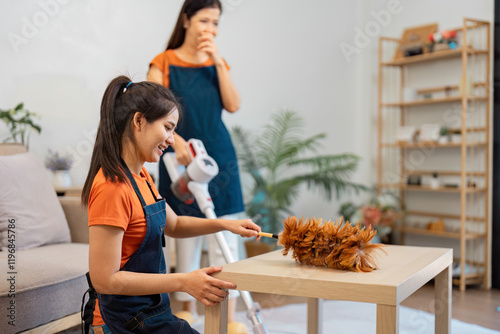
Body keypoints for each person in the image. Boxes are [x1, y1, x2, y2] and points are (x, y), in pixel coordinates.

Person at [81, 75, 260, 334]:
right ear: (139, 121)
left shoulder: (141, 177)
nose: (171, 139)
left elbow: (174, 224)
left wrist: (226, 224)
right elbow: (104, 280)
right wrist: (184, 282)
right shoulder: (112, 187)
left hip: (149, 313)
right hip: (120, 322)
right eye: (168, 127)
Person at [147, 0, 247, 331]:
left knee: (226, 234)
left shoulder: (216, 63)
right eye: (205, 20)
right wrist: (177, 144)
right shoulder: (163, 62)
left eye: (216, 23)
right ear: (187, 20)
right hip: (178, 162)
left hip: (220, 157)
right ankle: (187, 310)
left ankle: (228, 321)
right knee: (185, 236)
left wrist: (217, 61)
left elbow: (232, 105)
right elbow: (152, 113)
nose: (210, 28)